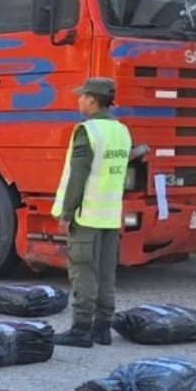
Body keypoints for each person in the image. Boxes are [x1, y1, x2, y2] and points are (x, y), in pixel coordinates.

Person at [51, 77, 135, 349]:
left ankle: (81, 329)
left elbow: (78, 176)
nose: (78, 100)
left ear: (92, 100)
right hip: (110, 214)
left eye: (82, 96)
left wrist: (67, 212)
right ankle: (102, 329)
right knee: (105, 272)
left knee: (83, 271)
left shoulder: (88, 131)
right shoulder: (122, 131)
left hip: (87, 214)